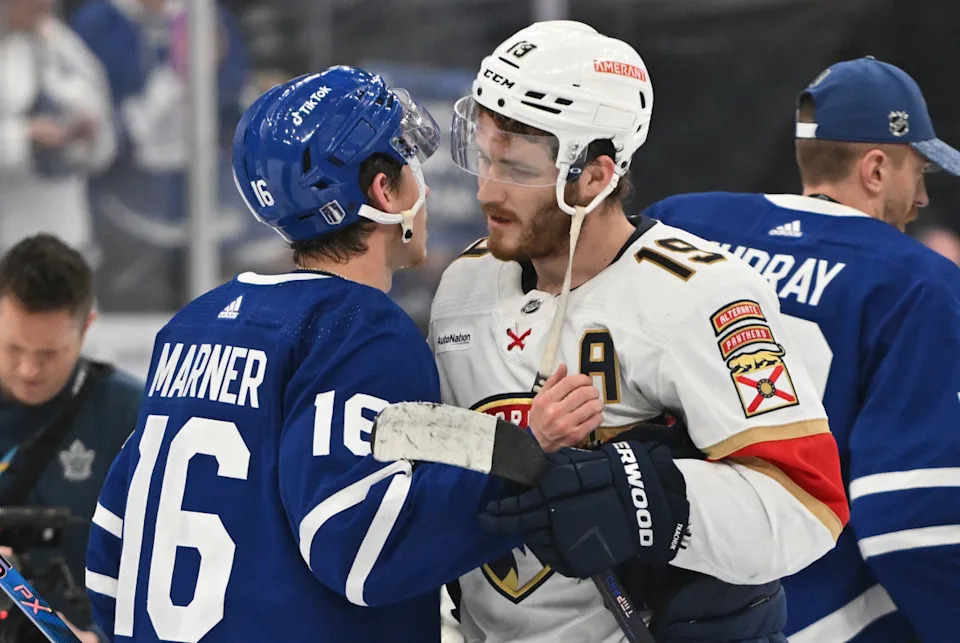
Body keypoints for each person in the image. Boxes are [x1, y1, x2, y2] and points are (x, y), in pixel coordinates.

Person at [430, 21, 848, 642]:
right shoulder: (463, 286)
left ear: (595, 177)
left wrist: (656, 499)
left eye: (516, 168)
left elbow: (808, 505)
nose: (486, 189)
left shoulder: (700, 295)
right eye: (484, 156)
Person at [84, 67, 517, 642]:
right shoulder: (359, 331)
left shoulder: (193, 324)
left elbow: (111, 554)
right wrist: (523, 478)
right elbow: (362, 547)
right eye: (409, 162)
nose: (427, 189)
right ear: (383, 191)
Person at [644, 57, 960, 642]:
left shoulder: (679, 225)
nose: (920, 198)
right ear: (875, 169)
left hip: (655, 601)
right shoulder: (920, 283)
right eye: (917, 173)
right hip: (818, 615)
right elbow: (911, 518)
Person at [0, 234, 142, 641]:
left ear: (86, 328)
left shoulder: (130, 415)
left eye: (48, 354)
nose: (28, 369)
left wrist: (102, 637)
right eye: (13, 349)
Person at [0, 0, 115, 257]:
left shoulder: (64, 46)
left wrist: (86, 134)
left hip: (66, 232)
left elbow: (104, 128)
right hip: (8, 237)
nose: (42, 5)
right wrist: (25, 136)